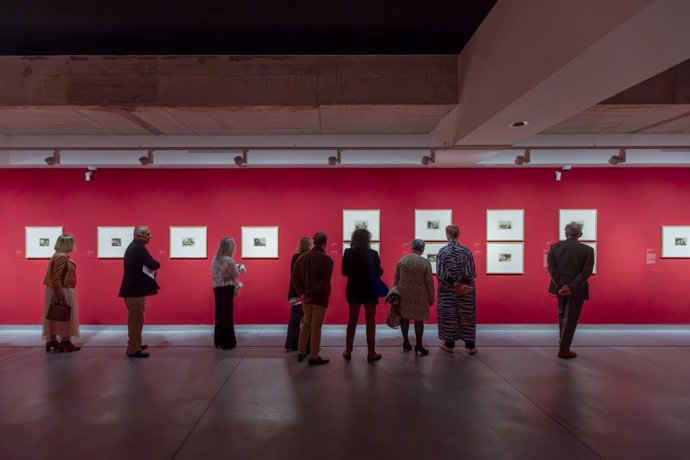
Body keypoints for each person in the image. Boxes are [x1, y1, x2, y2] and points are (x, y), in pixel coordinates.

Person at [547, 222, 595, 359]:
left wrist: (562, 285)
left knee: (562, 316)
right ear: (580, 234)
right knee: (571, 319)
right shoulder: (587, 250)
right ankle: (564, 349)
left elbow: (551, 269)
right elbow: (586, 272)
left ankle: (563, 345)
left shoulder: (554, 247)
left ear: (565, 233)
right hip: (577, 289)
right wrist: (571, 287)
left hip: (559, 288)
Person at [291, 232, 334, 366]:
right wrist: (312, 292)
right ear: (325, 243)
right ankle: (314, 355)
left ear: (314, 241)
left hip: (306, 299)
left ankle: (301, 351)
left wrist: (303, 292)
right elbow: (324, 283)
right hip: (320, 299)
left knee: (306, 325)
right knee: (316, 328)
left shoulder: (302, 258)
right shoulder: (327, 260)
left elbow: (295, 277)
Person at [342, 228, 383, 363]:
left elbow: (344, 272)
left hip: (353, 288)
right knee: (370, 320)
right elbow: (379, 272)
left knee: (352, 319)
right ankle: (371, 353)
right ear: (368, 239)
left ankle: (348, 351)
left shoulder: (348, 253)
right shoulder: (373, 253)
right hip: (370, 289)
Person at [118, 226, 160, 358]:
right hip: (134, 291)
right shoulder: (138, 249)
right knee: (136, 320)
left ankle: (135, 343)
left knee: (136, 319)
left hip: (134, 289)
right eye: (146, 234)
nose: (149, 236)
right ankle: (133, 349)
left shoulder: (135, 247)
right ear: (137, 236)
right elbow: (154, 264)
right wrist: (156, 264)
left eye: (149, 233)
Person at [436, 224, 478, 355]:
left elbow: (441, 272)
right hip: (465, 291)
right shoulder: (466, 251)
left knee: (449, 316)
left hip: (448, 291)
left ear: (447, 234)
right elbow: (470, 271)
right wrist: (461, 285)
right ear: (458, 234)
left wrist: (453, 284)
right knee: (467, 315)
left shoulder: (443, 251)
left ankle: (449, 344)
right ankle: (471, 346)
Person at [393, 239, 435, 356]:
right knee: (419, 321)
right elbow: (429, 283)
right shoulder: (425, 263)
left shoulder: (402, 261)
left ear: (411, 248)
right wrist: (431, 298)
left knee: (404, 318)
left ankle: (406, 342)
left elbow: (396, 280)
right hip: (421, 295)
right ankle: (419, 345)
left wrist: (394, 295)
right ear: (422, 249)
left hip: (404, 294)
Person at [43, 234, 81, 353]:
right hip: (63, 289)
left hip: (58, 288)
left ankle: (52, 340)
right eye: (72, 242)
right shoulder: (62, 256)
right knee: (65, 316)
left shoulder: (57, 255)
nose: (74, 245)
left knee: (55, 316)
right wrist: (60, 295)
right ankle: (65, 341)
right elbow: (56, 277)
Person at [211, 237, 245, 350]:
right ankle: (228, 342)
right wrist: (241, 268)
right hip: (226, 288)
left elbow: (216, 274)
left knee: (219, 315)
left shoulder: (215, 258)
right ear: (230, 247)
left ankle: (219, 341)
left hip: (216, 287)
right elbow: (235, 273)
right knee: (227, 315)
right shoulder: (228, 260)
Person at [285, 236, 312, 352]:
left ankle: (291, 344)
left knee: (294, 318)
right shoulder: (307, 258)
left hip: (294, 292)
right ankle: (307, 345)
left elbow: (294, 276)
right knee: (307, 319)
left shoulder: (295, 257)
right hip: (304, 293)